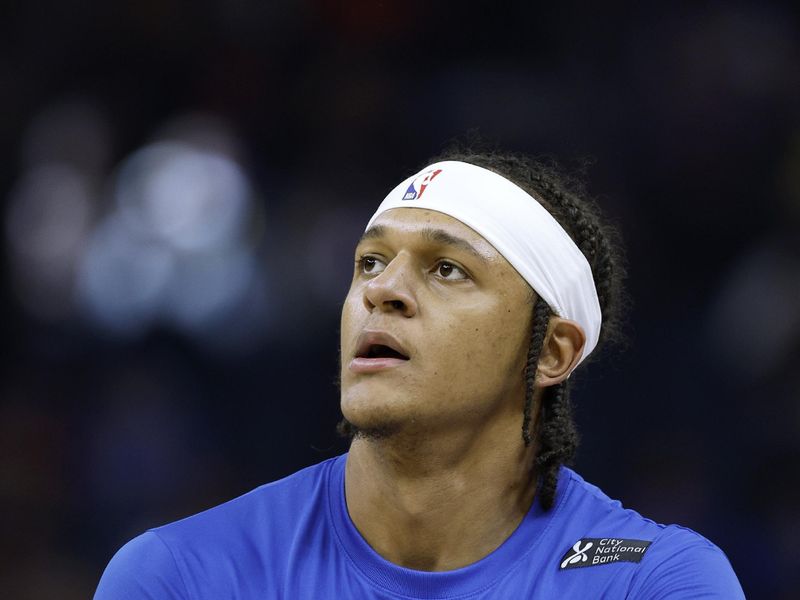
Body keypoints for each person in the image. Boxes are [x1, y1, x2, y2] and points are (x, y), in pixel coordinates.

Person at [95, 150, 745, 598]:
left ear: (552, 352)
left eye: (447, 270)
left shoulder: (652, 582)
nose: (384, 291)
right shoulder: (179, 577)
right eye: (371, 262)